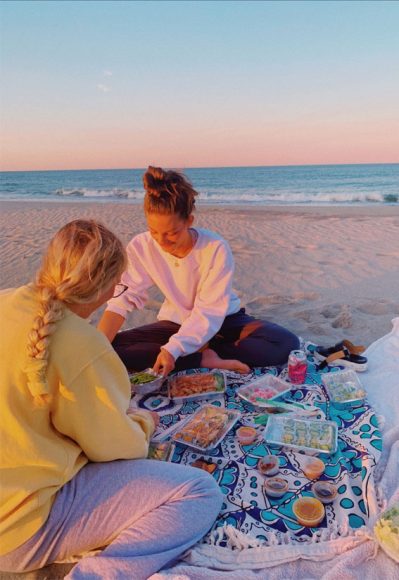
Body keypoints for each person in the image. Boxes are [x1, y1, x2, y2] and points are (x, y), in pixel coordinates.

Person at [0, 220, 223, 579]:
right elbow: (118, 448)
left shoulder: (6, 301)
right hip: (18, 530)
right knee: (200, 491)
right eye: (117, 285)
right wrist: (143, 423)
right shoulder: (81, 344)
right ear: (104, 287)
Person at [98, 166, 300, 377]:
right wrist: (96, 347)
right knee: (109, 346)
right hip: (176, 323)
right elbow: (123, 299)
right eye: (154, 231)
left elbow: (209, 312)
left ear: (189, 221)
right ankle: (203, 358)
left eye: (172, 233)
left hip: (223, 321)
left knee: (285, 343)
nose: (161, 241)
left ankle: (199, 352)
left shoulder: (214, 247)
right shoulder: (141, 246)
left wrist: (172, 349)